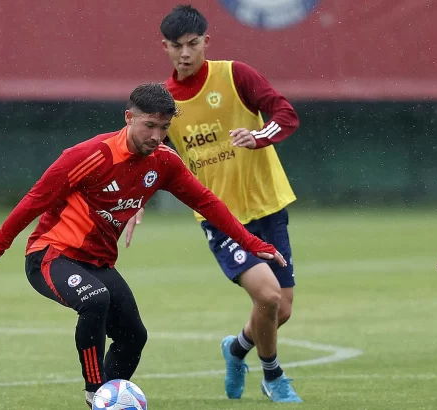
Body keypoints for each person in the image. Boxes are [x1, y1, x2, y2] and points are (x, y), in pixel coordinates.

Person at [0, 83, 286, 409]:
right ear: (128, 118)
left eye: (164, 127)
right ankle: (96, 392)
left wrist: (250, 242)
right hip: (51, 255)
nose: (156, 135)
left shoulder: (164, 162)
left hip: (98, 263)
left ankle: (105, 401)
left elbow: (206, 202)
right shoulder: (88, 156)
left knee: (133, 337)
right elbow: (34, 201)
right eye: (149, 125)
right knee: (95, 299)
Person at [124, 4, 302, 403]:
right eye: (176, 46)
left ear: (207, 41)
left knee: (281, 310)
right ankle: (273, 376)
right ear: (164, 47)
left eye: (192, 44)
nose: (185, 53)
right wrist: (135, 201)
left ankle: (236, 349)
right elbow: (150, 157)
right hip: (221, 218)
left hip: (269, 206)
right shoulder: (164, 101)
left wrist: (259, 137)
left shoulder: (235, 75)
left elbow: (285, 114)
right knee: (269, 298)